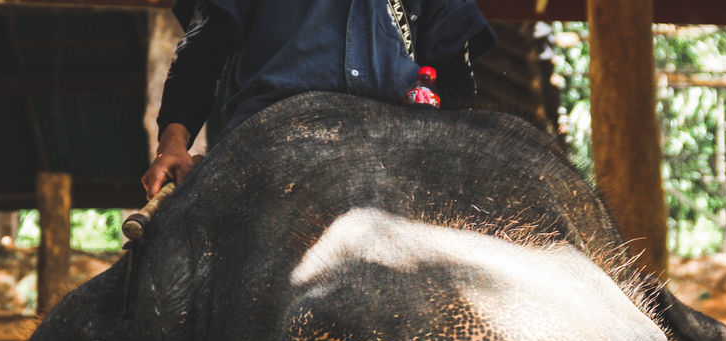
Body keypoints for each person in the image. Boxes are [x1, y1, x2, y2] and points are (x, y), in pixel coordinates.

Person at [142, 0, 495, 196]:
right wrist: (172, 146)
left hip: (394, 144)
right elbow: (202, 51)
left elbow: (455, 73)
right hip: (269, 141)